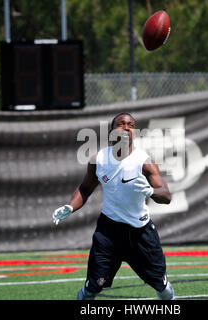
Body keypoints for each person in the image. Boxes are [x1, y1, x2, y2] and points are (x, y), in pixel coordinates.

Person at [52, 112, 175, 300]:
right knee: (92, 288)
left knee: (162, 286)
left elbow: (166, 195)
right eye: (121, 124)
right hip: (108, 232)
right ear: (111, 132)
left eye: (131, 125)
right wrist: (70, 207)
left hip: (140, 232)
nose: (126, 128)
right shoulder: (98, 159)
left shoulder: (144, 161)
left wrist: (151, 192)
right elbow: (85, 189)